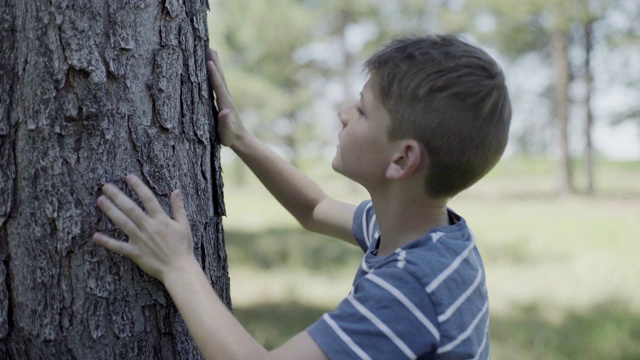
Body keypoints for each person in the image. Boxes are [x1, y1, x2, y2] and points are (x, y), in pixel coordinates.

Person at [93, 34, 511, 359]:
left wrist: (177, 265)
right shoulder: (427, 237)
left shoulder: (410, 290)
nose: (343, 113)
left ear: (402, 159)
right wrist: (242, 140)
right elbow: (314, 208)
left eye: (362, 111)